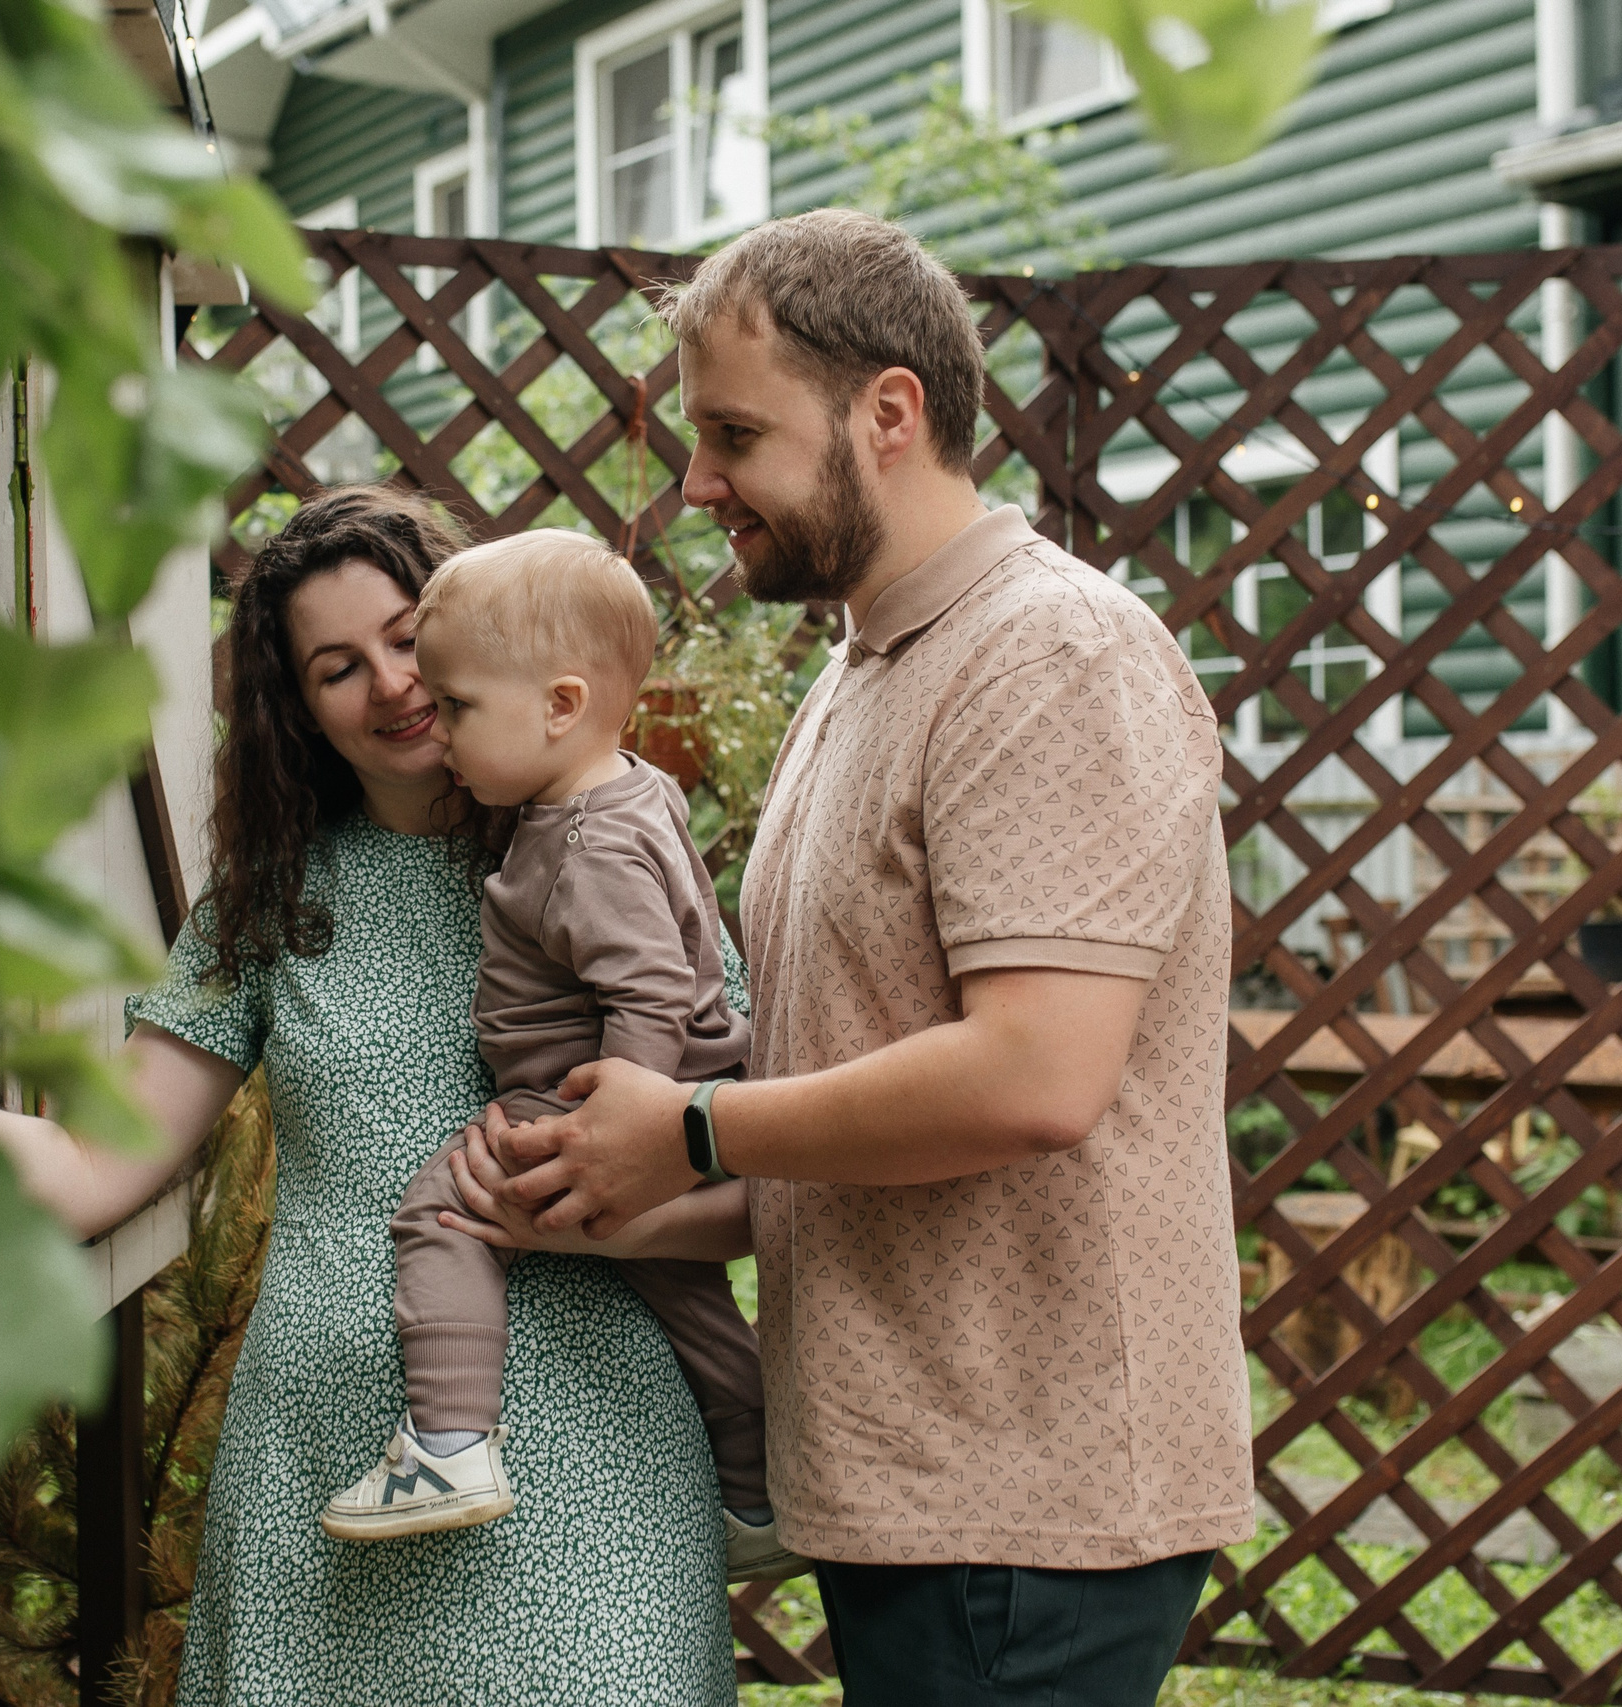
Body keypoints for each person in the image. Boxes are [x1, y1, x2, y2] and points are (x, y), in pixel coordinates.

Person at [445, 209, 1250, 1706]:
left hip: (1028, 1492)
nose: (696, 483)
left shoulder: (1049, 654)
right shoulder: (870, 662)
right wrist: (611, 1201)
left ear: (890, 411)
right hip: (921, 1479)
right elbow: (851, 1116)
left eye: (733, 433)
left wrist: (682, 1125)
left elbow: (1034, 1076)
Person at [0, 486, 736, 1705]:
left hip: (591, 1476)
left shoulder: (609, 848)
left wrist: (573, 1213)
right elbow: (85, 1170)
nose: (390, 684)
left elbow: (744, 1179)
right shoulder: (272, 903)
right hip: (325, 1487)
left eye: (404, 634)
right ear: (298, 712)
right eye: (337, 667)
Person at [320, 529, 797, 1584]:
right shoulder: (629, 792)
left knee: (443, 1213)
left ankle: (446, 1447)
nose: (435, 728)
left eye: (456, 708)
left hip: (590, 1099)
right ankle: (761, 1493)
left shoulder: (582, 845)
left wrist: (614, 1136)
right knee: (691, 1304)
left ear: (560, 706)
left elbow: (650, 991)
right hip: (670, 1098)